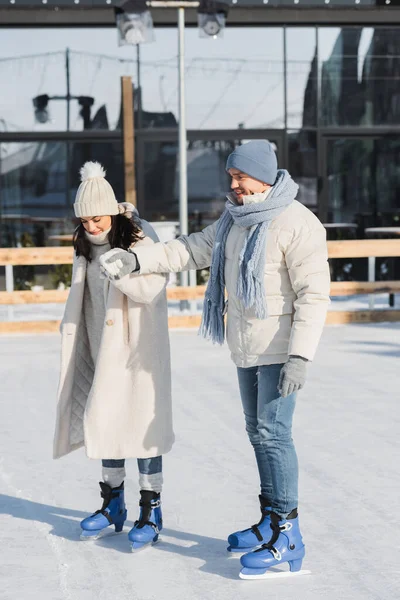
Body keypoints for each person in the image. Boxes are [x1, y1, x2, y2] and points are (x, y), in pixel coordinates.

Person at [100, 140, 330, 577]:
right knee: (258, 433)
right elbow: (189, 250)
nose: (234, 184)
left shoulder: (298, 223)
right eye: (231, 177)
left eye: (239, 176)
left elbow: (314, 294)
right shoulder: (234, 220)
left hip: (281, 349)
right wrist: (135, 259)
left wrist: (301, 355)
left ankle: (289, 534)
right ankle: (269, 522)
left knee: (273, 434)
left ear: (262, 175)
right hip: (246, 345)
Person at [53, 161, 174, 551]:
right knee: (104, 423)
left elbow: (152, 288)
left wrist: (120, 270)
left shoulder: (139, 237)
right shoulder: (84, 246)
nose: (92, 226)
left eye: (98, 218)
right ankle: (112, 505)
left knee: (140, 429)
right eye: (85, 220)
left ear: (111, 211)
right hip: (97, 345)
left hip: (137, 351)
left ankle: (150, 509)